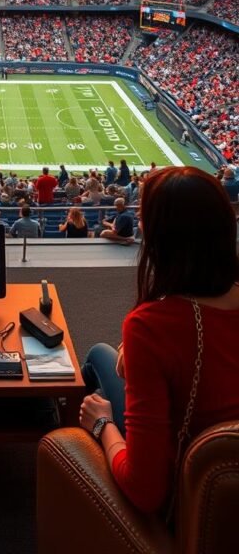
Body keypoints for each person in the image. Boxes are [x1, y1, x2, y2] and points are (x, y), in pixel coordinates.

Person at [78, 166, 239, 515]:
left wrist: (103, 424)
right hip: (223, 477)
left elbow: (145, 491)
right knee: (107, 354)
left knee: (96, 358)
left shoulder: (150, 327)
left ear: (161, 239)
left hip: (193, 503)